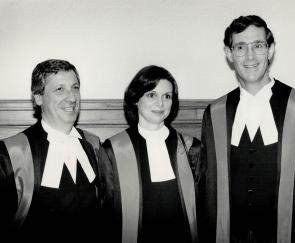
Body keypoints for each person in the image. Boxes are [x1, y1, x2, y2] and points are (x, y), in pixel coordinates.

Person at [198, 15, 295, 243]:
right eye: (240, 47)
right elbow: (207, 190)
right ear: (229, 54)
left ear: (270, 50)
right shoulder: (215, 113)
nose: (249, 56)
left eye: (257, 45)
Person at [0, 59, 109, 240]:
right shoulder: (12, 153)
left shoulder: (94, 145)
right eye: (60, 89)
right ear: (38, 97)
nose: (72, 97)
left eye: (75, 87)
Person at [100, 65, 201, 243]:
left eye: (167, 96)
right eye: (151, 94)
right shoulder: (114, 150)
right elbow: (106, 214)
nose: (160, 103)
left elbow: (202, 211)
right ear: (136, 99)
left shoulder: (191, 148)